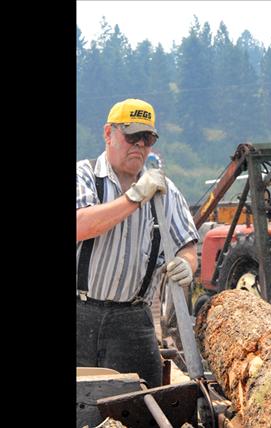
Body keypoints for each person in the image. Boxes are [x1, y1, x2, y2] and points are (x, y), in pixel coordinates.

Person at [76, 98, 199, 387]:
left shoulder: (165, 192)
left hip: (133, 320)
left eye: (147, 138)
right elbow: (81, 224)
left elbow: (187, 245)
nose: (140, 146)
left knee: (143, 405)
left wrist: (186, 264)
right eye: (132, 136)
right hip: (80, 313)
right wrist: (133, 198)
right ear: (108, 134)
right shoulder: (84, 176)